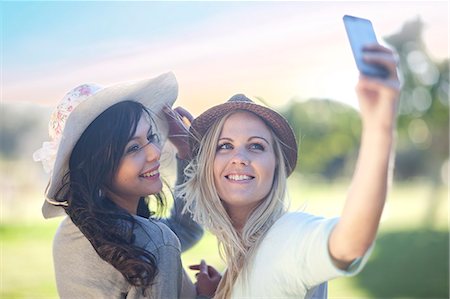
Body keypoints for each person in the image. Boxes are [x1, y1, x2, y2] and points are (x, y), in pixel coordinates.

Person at [182, 44, 401, 298]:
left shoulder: (288, 236)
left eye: (256, 146)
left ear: (277, 165)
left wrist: (380, 127)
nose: (239, 158)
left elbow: (349, 244)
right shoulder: (243, 256)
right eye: (225, 146)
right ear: (208, 164)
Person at [33, 72, 205, 298]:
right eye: (133, 148)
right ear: (98, 166)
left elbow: (184, 229)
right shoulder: (156, 244)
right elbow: (167, 239)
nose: (155, 152)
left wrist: (187, 154)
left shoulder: (71, 232)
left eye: (151, 136)